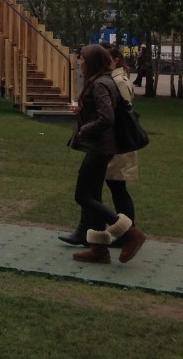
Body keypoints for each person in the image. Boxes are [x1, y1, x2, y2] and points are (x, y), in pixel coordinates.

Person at [67, 44, 146, 264]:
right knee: (92, 195)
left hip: (99, 149)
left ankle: (129, 232)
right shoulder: (105, 80)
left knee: (82, 196)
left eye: (82, 59)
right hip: (102, 149)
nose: (80, 62)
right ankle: (99, 249)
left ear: (91, 61)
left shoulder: (101, 83)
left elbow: (107, 118)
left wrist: (84, 129)